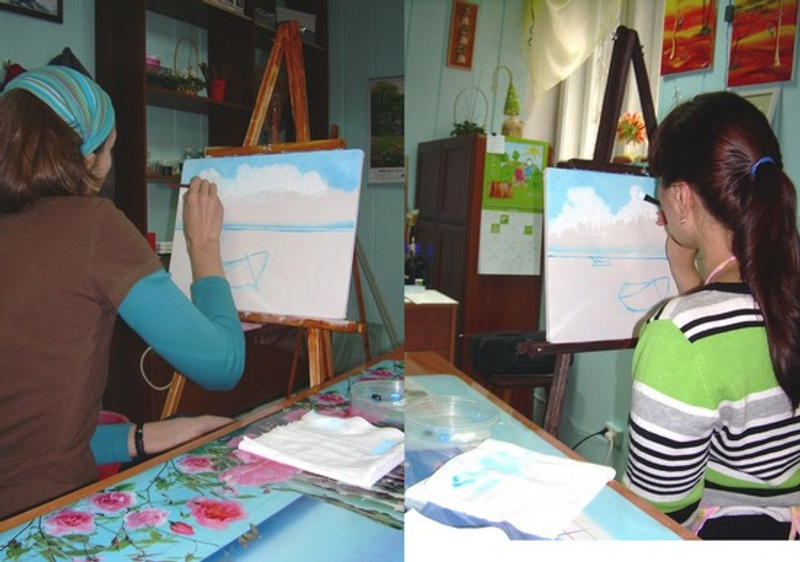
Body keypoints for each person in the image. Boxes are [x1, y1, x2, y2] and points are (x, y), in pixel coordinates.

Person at [0, 66, 246, 520]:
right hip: (40, 522)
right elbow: (223, 364)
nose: (109, 166)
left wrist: (140, 437)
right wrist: (204, 248)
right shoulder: (92, 224)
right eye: (109, 150)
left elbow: (26, 431)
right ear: (85, 156)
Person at [623, 91, 800, 539]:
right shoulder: (783, 298)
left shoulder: (681, 334)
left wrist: (674, 323)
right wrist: (687, 277)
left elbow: (657, 513)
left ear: (683, 197)